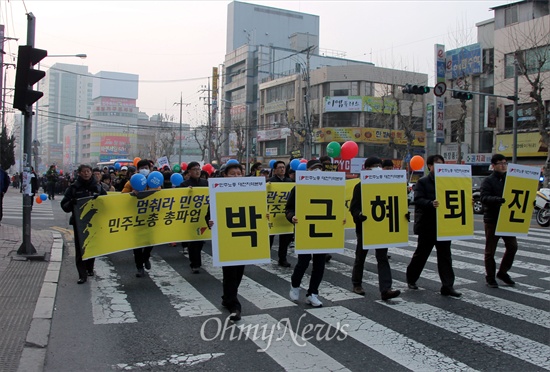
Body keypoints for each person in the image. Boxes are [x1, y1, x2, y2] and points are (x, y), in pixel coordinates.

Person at [406, 155, 461, 297]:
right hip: (427, 225)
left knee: (445, 256)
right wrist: (430, 203)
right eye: (436, 164)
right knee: (421, 254)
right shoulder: (423, 182)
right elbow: (417, 200)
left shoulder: (448, 181)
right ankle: (411, 278)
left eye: (442, 164)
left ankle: (448, 286)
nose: (439, 166)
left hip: (444, 225)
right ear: (429, 166)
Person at [349, 157, 401, 301]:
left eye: (379, 165)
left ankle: (386, 289)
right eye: (373, 166)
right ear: (366, 169)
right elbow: (353, 207)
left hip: (381, 227)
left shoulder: (387, 185)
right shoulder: (360, 186)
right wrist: (359, 215)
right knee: (361, 256)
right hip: (365, 226)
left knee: (382, 257)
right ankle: (356, 283)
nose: (377, 168)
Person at [287, 159, 332, 307]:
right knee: (303, 262)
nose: (318, 171)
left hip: (322, 229)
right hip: (305, 229)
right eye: (314, 169)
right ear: (307, 171)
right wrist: (291, 217)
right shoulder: (298, 188)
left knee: (319, 264)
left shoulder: (329, 188)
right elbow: (289, 209)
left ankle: (313, 293)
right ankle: (295, 284)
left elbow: (336, 206)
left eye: (320, 168)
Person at [206, 162, 246, 321]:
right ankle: (234, 306)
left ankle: (227, 297)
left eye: (239, 173)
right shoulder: (217, 191)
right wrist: (209, 222)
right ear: (224, 176)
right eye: (232, 174)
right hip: (226, 237)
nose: (236, 176)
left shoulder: (249, 191)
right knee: (230, 272)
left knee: (239, 272)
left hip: (243, 236)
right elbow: (209, 214)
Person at [61, 164, 107, 284]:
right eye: (84, 171)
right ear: (79, 173)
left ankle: (89, 268)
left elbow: (106, 204)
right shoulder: (73, 188)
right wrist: (72, 203)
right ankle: (82, 275)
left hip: (94, 222)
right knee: (80, 248)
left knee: (92, 245)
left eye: (88, 171)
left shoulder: (98, 187)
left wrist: (100, 199)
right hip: (79, 222)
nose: (86, 173)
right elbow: (64, 205)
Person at [480, 154, 517, 288]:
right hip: (492, 219)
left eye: (505, 163)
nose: (503, 165)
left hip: (507, 218)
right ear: (493, 165)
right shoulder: (488, 181)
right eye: (500, 163)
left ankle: (502, 272)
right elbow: (483, 198)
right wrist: (497, 200)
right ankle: (490, 277)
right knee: (490, 250)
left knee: (512, 246)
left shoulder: (510, 180)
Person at [122, 159, 160, 277]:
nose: (144, 170)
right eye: (142, 168)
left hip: (150, 216)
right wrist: (132, 194)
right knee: (137, 244)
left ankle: (146, 257)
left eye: (146, 167)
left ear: (150, 169)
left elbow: (160, 196)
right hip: (136, 217)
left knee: (150, 241)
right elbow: (122, 197)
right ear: (138, 170)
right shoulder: (131, 182)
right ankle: (139, 267)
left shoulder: (155, 181)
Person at [179, 161, 208, 273]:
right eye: (194, 169)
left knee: (200, 241)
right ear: (189, 172)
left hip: (203, 216)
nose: (197, 171)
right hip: (190, 217)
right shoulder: (184, 185)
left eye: (198, 169)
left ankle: (196, 261)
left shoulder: (205, 183)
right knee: (193, 242)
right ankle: (195, 264)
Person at [268, 161, 294, 268]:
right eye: (279, 168)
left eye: (283, 167)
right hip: (272, 215)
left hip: (285, 215)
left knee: (285, 239)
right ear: (274, 170)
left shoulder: (290, 182)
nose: (282, 169)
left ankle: (282, 259)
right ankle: (265, 256)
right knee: (269, 238)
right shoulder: (269, 182)